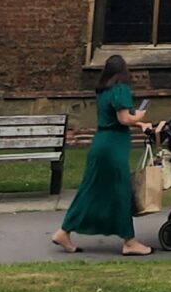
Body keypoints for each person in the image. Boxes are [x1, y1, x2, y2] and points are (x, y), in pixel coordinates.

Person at [52, 53, 153, 255]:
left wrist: (139, 123)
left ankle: (64, 231)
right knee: (121, 192)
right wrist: (139, 116)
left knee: (91, 191)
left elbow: (113, 118)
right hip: (113, 148)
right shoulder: (121, 89)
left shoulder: (103, 91)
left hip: (102, 143)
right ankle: (129, 241)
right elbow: (124, 119)